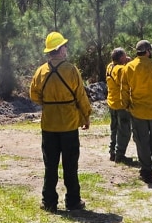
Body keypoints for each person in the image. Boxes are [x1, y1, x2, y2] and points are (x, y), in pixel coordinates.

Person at [29, 31, 91, 212]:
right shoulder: (71, 70)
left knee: (50, 165)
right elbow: (81, 96)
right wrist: (86, 116)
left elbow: (33, 95)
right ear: (59, 49)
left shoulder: (40, 71)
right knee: (70, 165)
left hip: (49, 125)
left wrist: (48, 104)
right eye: (64, 46)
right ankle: (73, 201)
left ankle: (49, 202)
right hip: (69, 125)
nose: (66, 48)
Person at [122, 39, 152, 183]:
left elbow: (124, 90)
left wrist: (127, 105)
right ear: (148, 51)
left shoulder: (129, 67)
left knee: (141, 142)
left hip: (138, 112)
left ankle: (146, 173)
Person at [105, 47, 134, 164]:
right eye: (125, 56)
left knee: (114, 129)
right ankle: (120, 155)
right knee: (124, 131)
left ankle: (112, 153)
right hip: (121, 104)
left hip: (111, 102)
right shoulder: (121, 69)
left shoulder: (110, 66)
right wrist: (130, 63)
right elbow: (127, 81)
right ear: (121, 57)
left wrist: (126, 62)